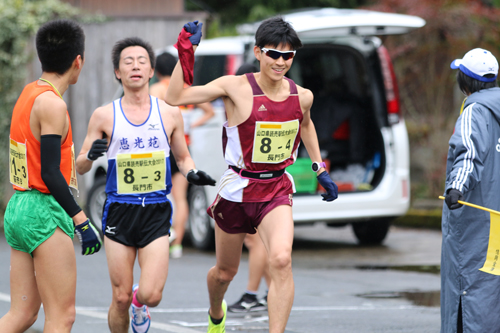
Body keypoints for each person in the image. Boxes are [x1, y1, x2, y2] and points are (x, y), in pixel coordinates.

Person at [166, 18, 338, 333]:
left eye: (289, 56)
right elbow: (175, 97)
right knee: (224, 272)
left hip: (275, 188)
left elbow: (306, 125)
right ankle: (216, 312)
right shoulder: (235, 86)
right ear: (258, 52)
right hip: (236, 190)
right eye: (274, 54)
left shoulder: (302, 96)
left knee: (282, 260)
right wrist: (185, 51)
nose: (282, 62)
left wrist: (319, 167)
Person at [75, 37, 216, 333]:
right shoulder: (104, 115)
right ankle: (129, 308)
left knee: (150, 295)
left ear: (151, 70)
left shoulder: (168, 112)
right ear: (118, 72)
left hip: (155, 210)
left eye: (142, 61)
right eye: (128, 62)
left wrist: (192, 174)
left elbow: (183, 157)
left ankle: (141, 305)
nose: (135, 66)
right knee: (120, 296)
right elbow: (79, 165)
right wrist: (91, 154)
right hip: (119, 211)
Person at [0, 19, 101, 333]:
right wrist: (81, 220)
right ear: (78, 61)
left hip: (19, 206)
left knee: (23, 313)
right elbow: (50, 172)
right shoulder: (53, 105)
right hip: (44, 210)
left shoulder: (29, 93)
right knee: (62, 316)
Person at [442, 48, 500, 333]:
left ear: (465, 80)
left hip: (478, 222)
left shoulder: (474, 110)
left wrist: (456, 187)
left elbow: (469, 152)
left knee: (470, 287)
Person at [149, 52, 215, 258]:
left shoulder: (156, 89)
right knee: (180, 198)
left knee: (158, 194)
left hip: (161, 148)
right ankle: (177, 245)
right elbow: (210, 111)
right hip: (184, 147)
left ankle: (161, 238)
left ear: (157, 70)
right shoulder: (187, 90)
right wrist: (192, 125)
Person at [228, 63, 271, 313]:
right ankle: (271, 289)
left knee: (256, 243)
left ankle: (252, 294)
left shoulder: (261, 111)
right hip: (243, 185)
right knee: (258, 244)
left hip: (262, 186)